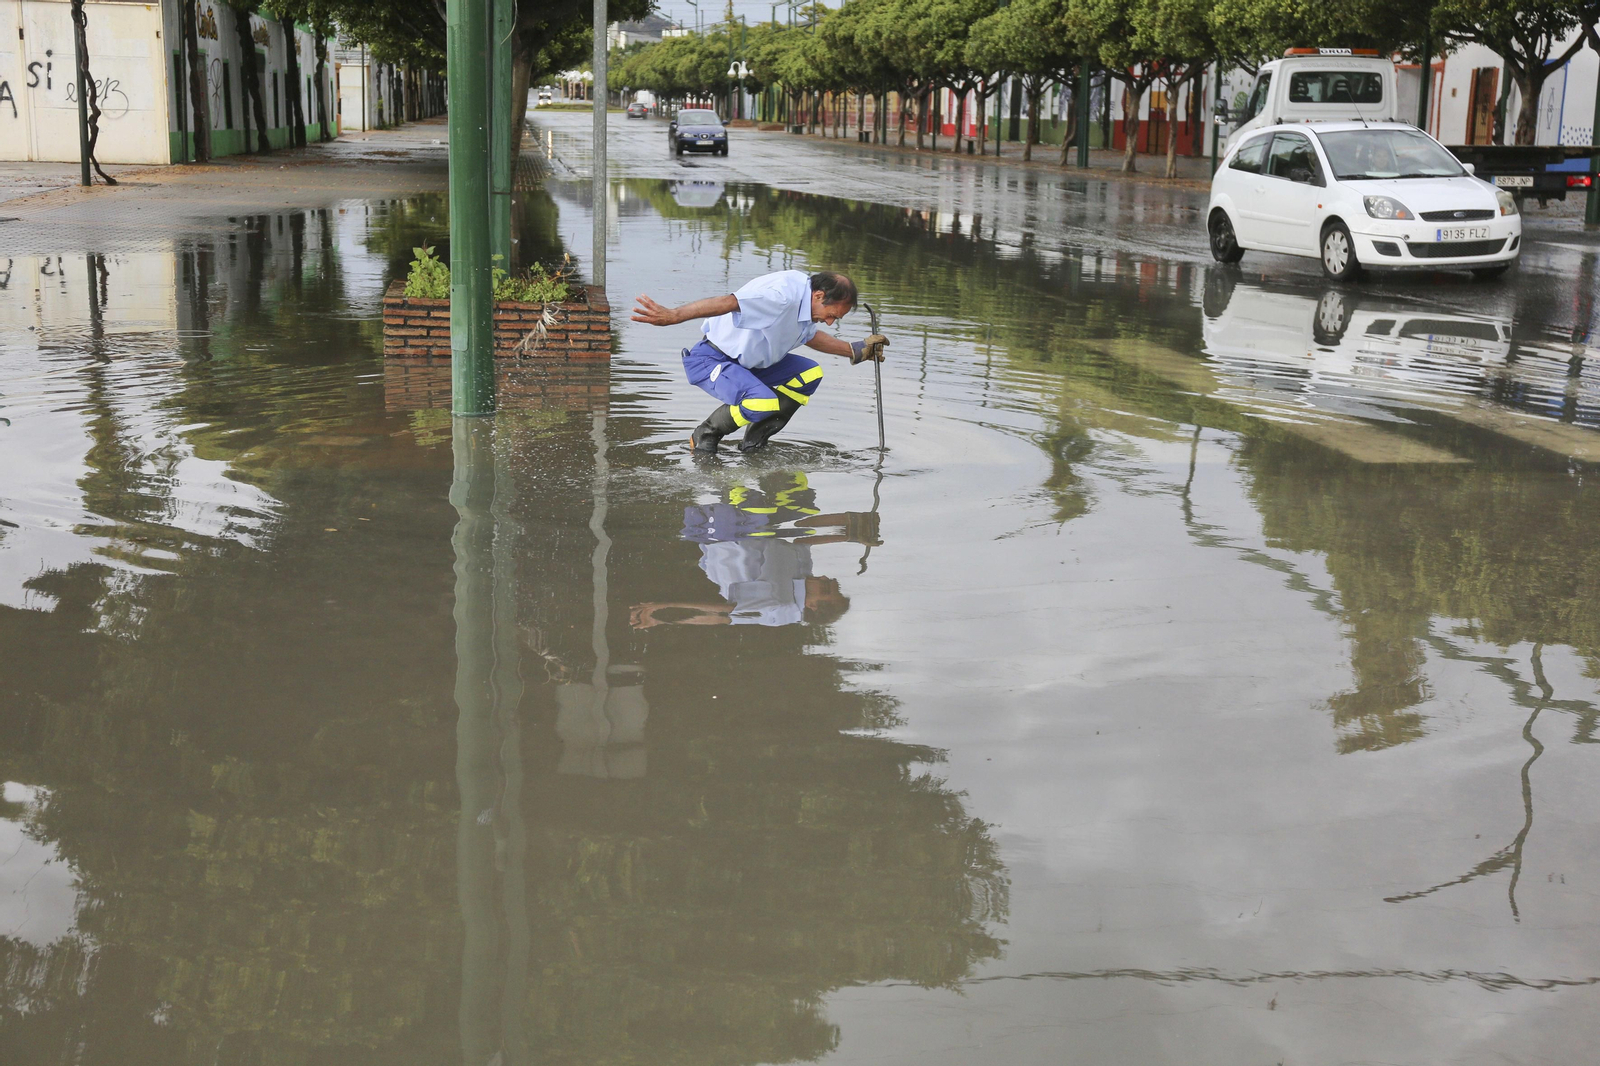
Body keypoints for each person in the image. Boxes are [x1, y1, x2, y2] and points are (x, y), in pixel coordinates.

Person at [632, 270, 889, 454]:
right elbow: (729, 302)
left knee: (810, 373)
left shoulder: (808, 304)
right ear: (819, 295)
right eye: (832, 315)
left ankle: (754, 443)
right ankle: (707, 433)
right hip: (713, 360)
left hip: (752, 366)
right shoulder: (782, 296)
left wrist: (856, 351)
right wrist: (674, 315)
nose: (831, 322)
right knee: (762, 401)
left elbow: (811, 338)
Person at [629, 471, 879, 629]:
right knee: (801, 504)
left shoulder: (777, 607)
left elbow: (721, 615)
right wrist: (851, 531)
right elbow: (803, 538)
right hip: (757, 532)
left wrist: (662, 609)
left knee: (754, 506)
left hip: (723, 535)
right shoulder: (804, 577)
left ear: (811, 606)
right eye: (832, 581)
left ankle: (723, 473)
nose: (825, 578)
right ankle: (776, 475)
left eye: (826, 588)